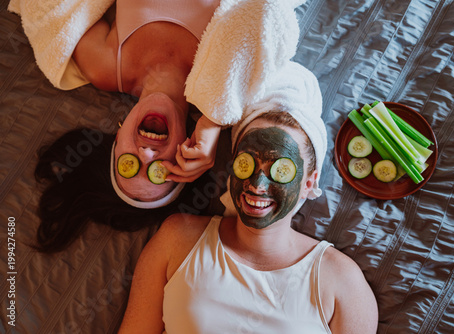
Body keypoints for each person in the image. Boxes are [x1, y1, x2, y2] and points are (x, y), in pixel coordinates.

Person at [12, 0, 305, 252]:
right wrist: (213, 117)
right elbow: (268, 14)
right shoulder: (227, 93)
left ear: (117, 137)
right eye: (160, 172)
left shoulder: (104, 66)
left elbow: (50, 9)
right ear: (186, 153)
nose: (147, 154)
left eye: (128, 163)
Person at [117, 111, 379, 333]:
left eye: (280, 170)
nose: (257, 185)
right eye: (247, 164)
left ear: (309, 183)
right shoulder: (178, 238)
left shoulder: (343, 281)